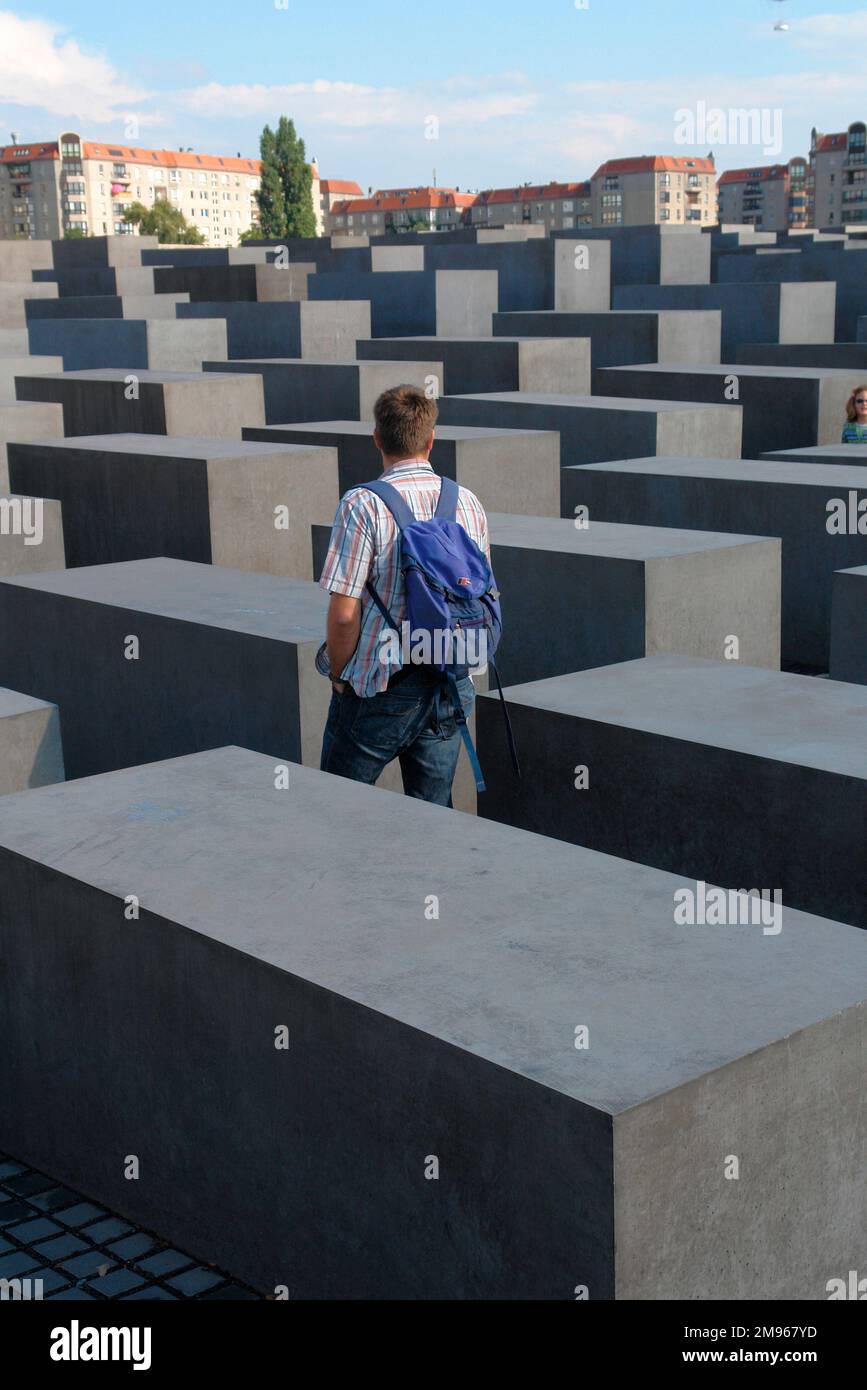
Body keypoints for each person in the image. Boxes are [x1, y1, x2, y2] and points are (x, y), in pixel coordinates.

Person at [317, 384, 490, 806]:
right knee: (430, 819)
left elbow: (343, 616)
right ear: (431, 440)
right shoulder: (468, 503)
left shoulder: (362, 504)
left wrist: (340, 677)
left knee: (337, 809)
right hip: (449, 682)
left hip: (378, 686)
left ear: (377, 438)